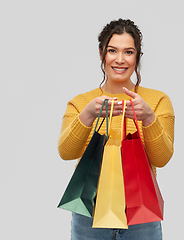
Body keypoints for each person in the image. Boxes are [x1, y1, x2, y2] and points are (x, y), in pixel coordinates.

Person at [58, 18, 175, 240]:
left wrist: (149, 117)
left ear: (137, 56)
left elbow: (162, 158)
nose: (120, 59)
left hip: (141, 215)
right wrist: (88, 115)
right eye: (113, 50)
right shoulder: (81, 103)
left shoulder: (157, 101)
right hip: (89, 214)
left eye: (128, 52)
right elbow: (66, 153)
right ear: (102, 53)